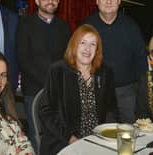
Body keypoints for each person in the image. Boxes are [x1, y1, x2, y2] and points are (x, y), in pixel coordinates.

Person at [39, 24, 118, 155]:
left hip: (98, 140)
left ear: (97, 50)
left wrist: (108, 135)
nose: (88, 48)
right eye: (83, 42)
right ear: (74, 45)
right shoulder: (57, 71)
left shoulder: (105, 72)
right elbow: (46, 111)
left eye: (93, 44)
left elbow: (111, 108)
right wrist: (70, 138)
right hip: (65, 140)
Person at [82, 0, 148, 123]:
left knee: (130, 135)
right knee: (99, 136)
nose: (108, 2)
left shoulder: (131, 26)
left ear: (119, 0)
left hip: (127, 93)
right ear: (97, 0)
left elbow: (141, 60)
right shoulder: (87, 27)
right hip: (96, 92)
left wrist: (141, 91)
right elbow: (77, 60)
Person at [16, 0, 71, 149]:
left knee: (60, 135)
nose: (51, 1)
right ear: (37, 1)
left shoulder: (64, 27)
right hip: (34, 91)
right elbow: (23, 59)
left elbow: (69, 59)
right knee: (38, 136)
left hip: (60, 92)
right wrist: (49, 84)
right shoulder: (24, 25)